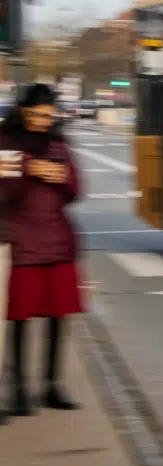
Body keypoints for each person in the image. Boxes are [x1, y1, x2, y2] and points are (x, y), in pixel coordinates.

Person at [1, 83, 84, 418]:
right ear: (23, 111)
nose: (42, 120)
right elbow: (4, 195)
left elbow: (75, 190)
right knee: (20, 317)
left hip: (59, 242)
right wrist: (29, 168)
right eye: (37, 114)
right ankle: (19, 391)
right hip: (26, 242)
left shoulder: (59, 143)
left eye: (48, 115)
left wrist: (59, 176)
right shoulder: (6, 143)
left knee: (57, 317)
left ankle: (52, 386)